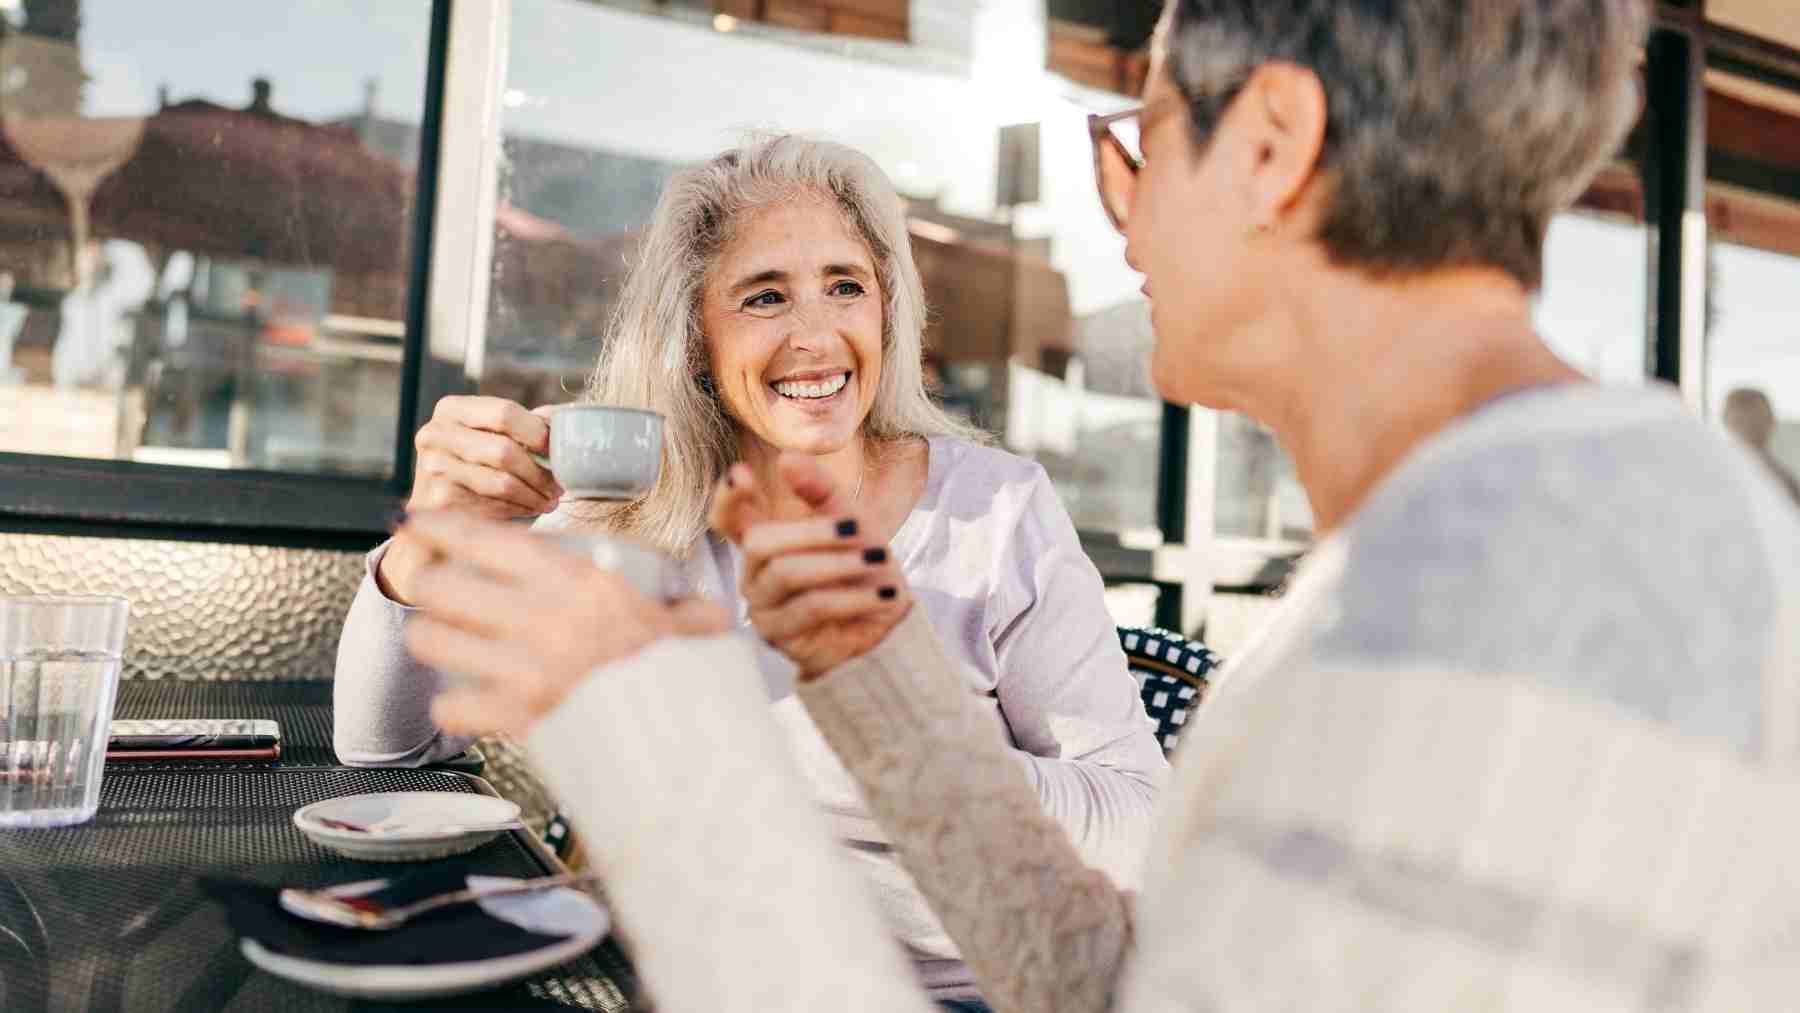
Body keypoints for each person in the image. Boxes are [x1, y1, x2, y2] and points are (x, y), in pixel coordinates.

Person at [389, 0, 1800, 1009]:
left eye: (1142, 138)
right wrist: (884, 689)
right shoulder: (1476, 544)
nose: (1119, 218)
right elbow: (1137, 984)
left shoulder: (1503, 621)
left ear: (1271, 143)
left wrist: (666, 742)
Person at [333, 135, 1167, 1002]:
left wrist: (875, 735)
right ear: (695, 337)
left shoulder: (996, 510)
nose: (816, 335)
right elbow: (384, 747)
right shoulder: (631, 512)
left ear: (888, 312)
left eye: (846, 286)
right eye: (765, 296)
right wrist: (425, 545)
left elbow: (1140, 828)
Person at [1723, 387, 1800, 507]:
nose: (1749, 426)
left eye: (1757, 419)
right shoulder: (1719, 470)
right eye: (1742, 420)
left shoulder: (1782, 477)